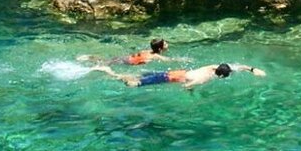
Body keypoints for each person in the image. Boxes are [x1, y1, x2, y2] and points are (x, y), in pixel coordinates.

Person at [94, 62, 265, 89]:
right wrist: (193, 95)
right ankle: (109, 72)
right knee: (134, 84)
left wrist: (252, 69)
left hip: (175, 72)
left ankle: (112, 71)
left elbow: (236, 67)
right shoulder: (204, 78)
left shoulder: (213, 67)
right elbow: (186, 86)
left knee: (138, 75)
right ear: (221, 76)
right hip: (168, 79)